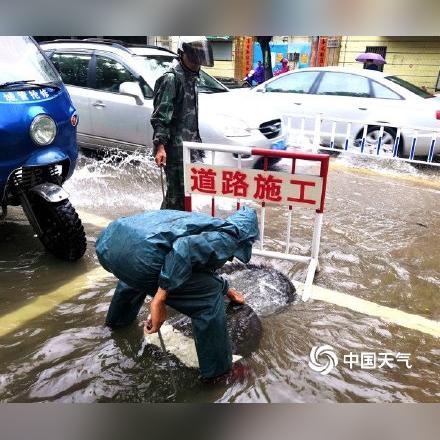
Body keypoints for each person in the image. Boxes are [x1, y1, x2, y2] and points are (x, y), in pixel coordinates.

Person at [96, 206, 259, 383]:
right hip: (143, 260)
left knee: (135, 275)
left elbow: (197, 267)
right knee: (208, 300)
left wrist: (227, 290)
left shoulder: (202, 223)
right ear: (247, 237)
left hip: (110, 245)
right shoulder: (230, 237)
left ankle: (117, 324)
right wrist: (159, 299)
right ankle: (219, 373)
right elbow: (184, 249)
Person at [150, 36, 214, 211]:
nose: (197, 62)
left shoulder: (192, 77)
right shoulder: (171, 79)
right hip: (175, 150)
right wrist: (160, 147)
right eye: (194, 57)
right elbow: (161, 117)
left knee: (185, 194)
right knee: (175, 197)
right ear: (182, 54)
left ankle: (176, 226)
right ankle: (165, 230)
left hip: (189, 148)